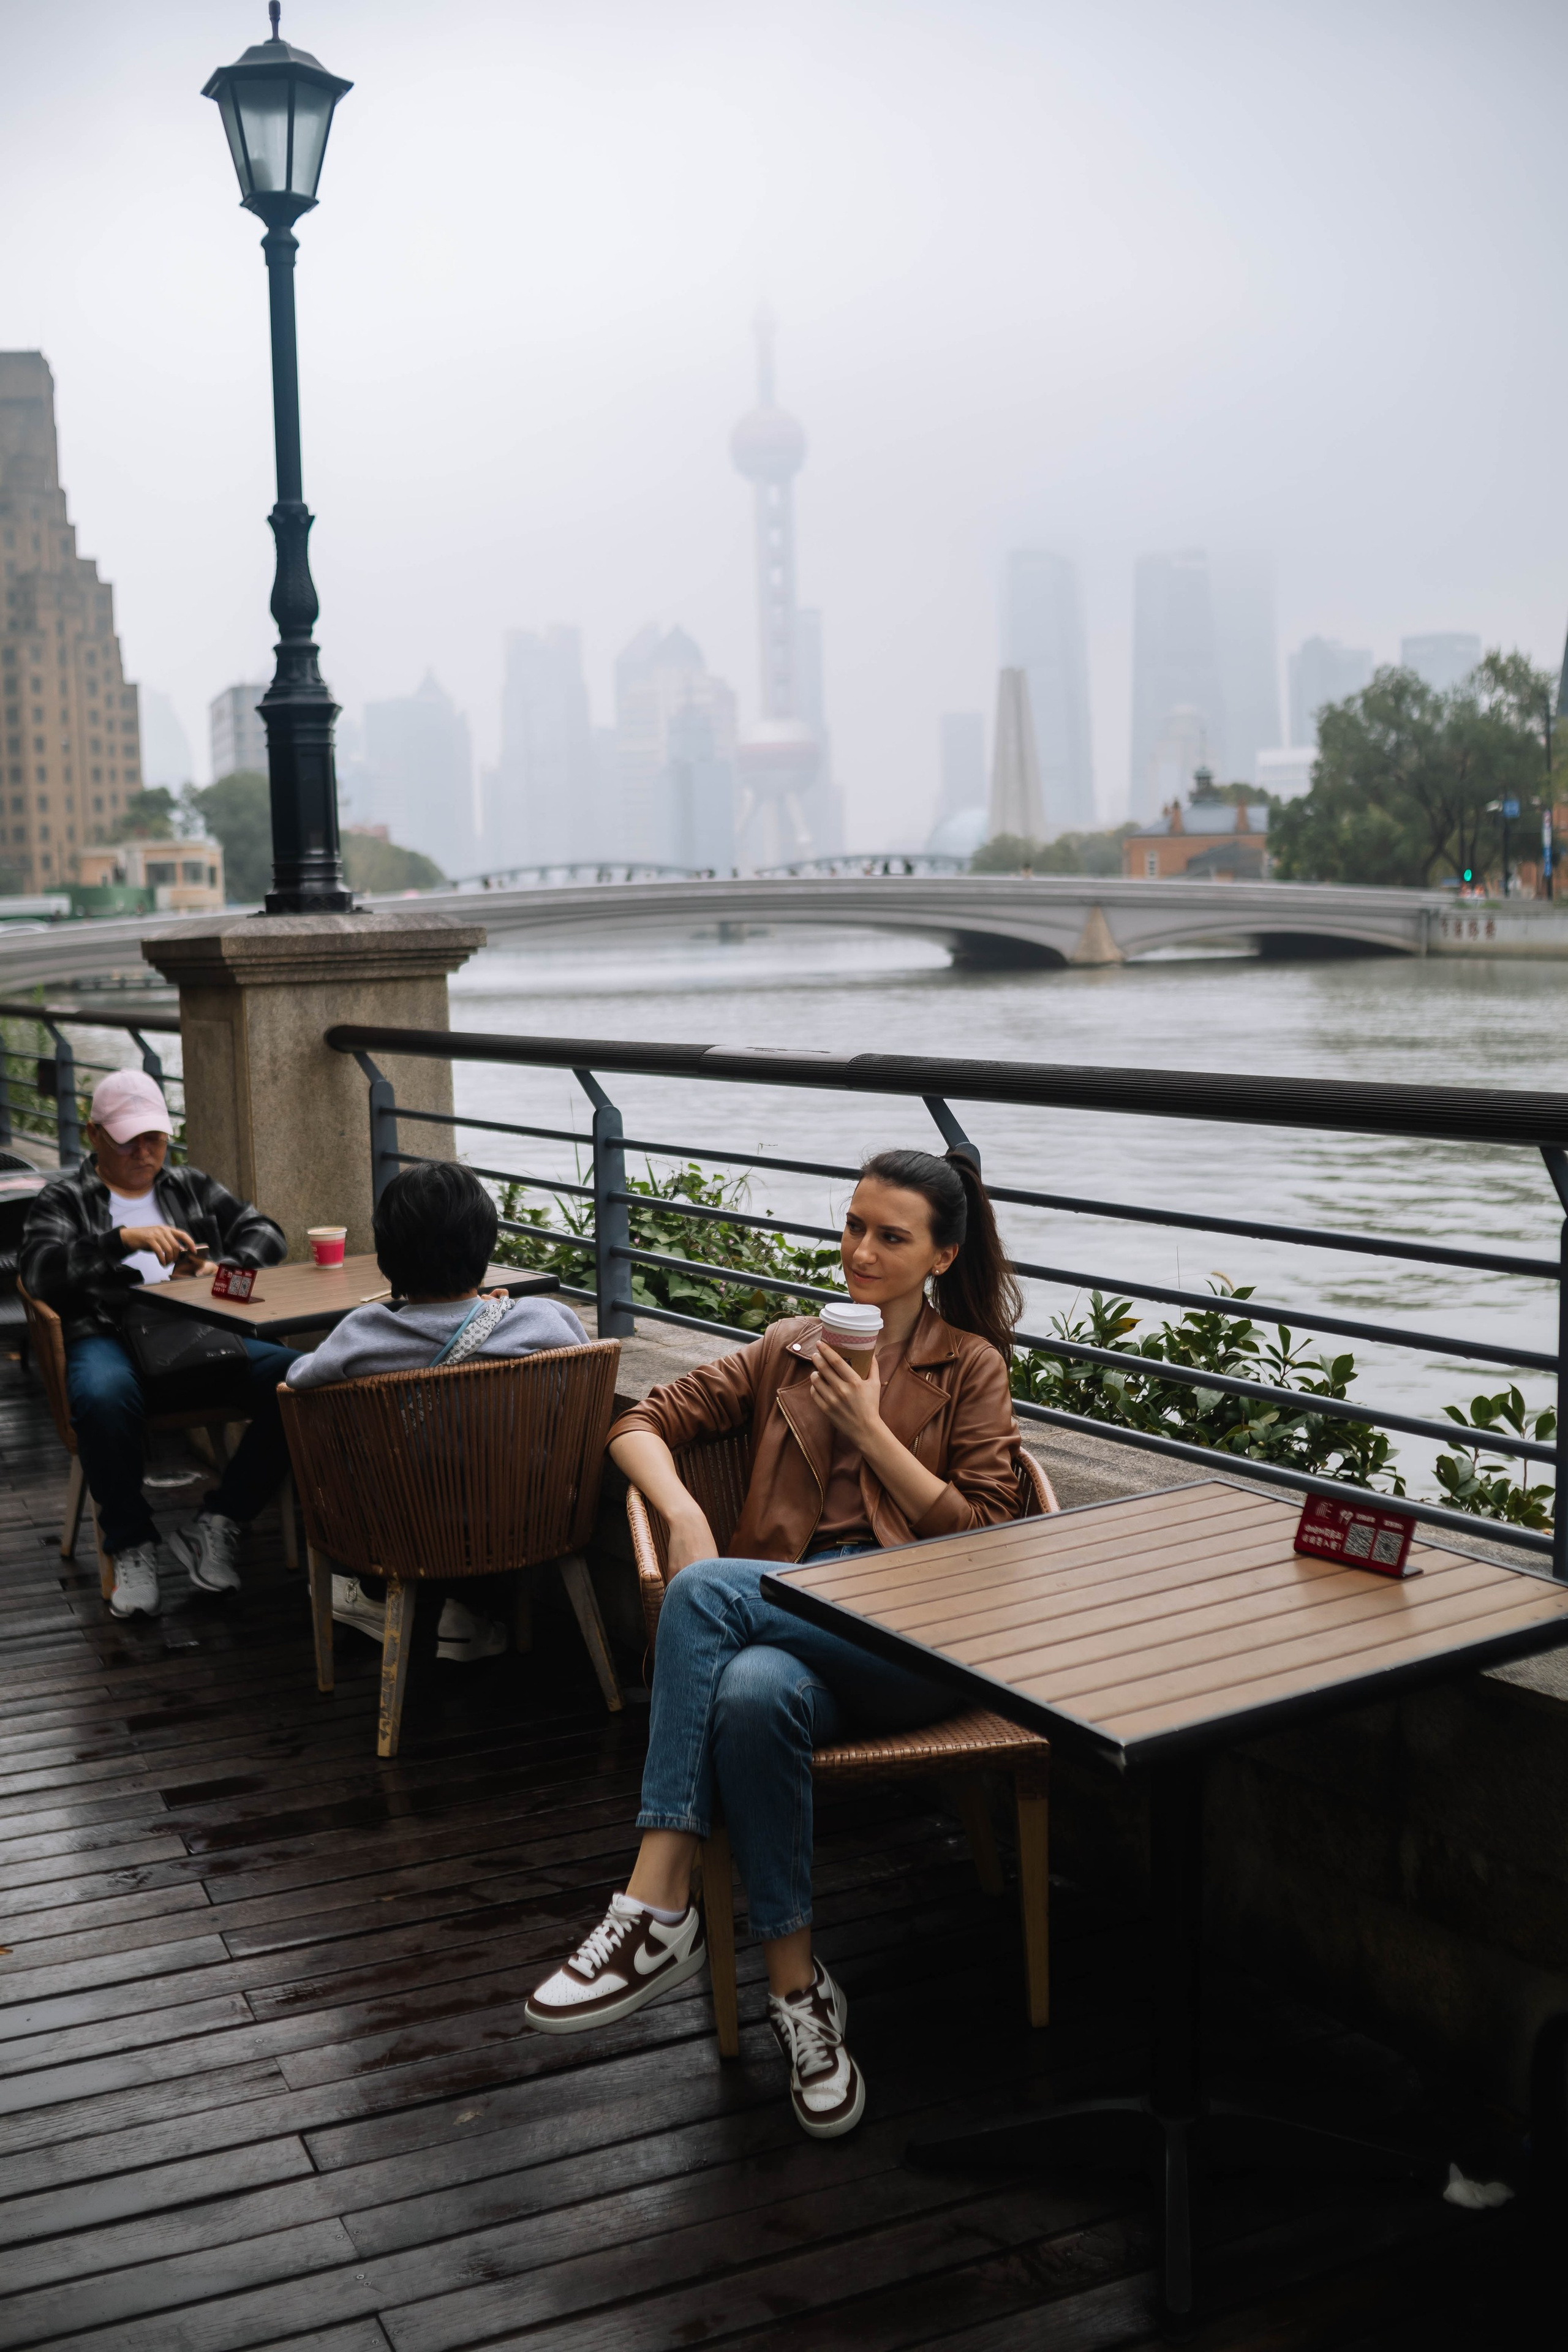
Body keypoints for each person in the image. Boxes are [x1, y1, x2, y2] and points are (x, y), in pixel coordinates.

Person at [525, 1147, 1026, 2140]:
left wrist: (872, 1430)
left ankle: (656, 1904)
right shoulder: (791, 1345)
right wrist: (679, 1512)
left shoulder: (969, 1368)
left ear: (942, 1255)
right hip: (790, 1639)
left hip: (912, 1646)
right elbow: (641, 1422)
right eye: (853, 1227)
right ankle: (800, 1995)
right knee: (751, 1693)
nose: (863, 1252)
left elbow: (986, 1540)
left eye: (892, 1236)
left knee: (709, 1600)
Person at [287, 1158, 589, 1664]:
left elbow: (298, 1383)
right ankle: (465, 1615)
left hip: (402, 1529)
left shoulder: (363, 1335)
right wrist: (495, 1315)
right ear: (485, 1245)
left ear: (387, 1259)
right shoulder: (546, 1321)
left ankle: (382, 1599)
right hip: (530, 1516)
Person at [20, 1068, 293, 1620]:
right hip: (107, 1336)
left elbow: (270, 1235)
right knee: (100, 1395)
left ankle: (219, 1523)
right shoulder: (64, 1198)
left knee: (305, 1379)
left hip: (196, 1334)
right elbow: (38, 1273)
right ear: (95, 1134)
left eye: (155, 1138)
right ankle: (130, 1545)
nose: (145, 1152)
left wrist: (217, 1272)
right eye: (129, 1141)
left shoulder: (188, 1184)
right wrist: (118, 1242)